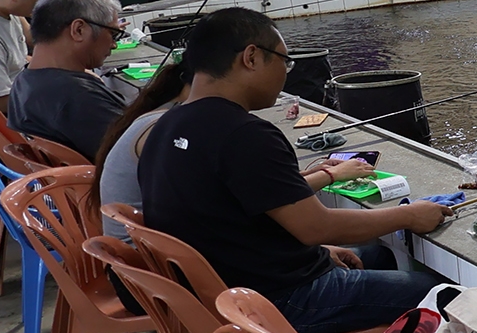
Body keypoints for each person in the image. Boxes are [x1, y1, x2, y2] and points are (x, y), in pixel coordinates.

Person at [138, 8, 451, 333]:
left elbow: (226, 218)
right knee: (437, 292)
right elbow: (317, 226)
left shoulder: (162, 126)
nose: (286, 73)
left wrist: (317, 254)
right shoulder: (244, 135)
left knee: (377, 255)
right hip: (272, 304)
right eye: (283, 61)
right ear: (252, 57)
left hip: (221, 294)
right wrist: (409, 215)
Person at [96, 60, 375, 239]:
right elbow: (314, 227)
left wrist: (303, 176)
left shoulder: (161, 122)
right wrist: (328, 175)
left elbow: (236, 188)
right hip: (157, 271)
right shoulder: (185, 129)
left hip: (156, 258)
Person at [7, 0, 128, 161]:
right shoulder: (78, 98)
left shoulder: (26, 79)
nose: (114, 44)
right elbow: (145, 156)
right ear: (78, 30)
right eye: (113, 34)